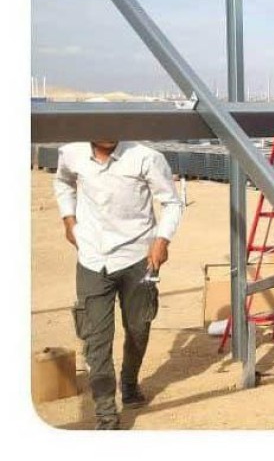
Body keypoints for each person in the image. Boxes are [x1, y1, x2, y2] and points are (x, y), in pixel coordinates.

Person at [54, 139, 182, 430]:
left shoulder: (145, 157)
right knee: (96, 339)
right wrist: (68, 220)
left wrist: (162, 240)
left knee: (138, 328)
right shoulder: (71, 153)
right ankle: (106, 414)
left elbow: (171, 202)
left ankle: (129, 382)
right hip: (92, 259)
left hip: (138, 257)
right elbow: (62, 182)